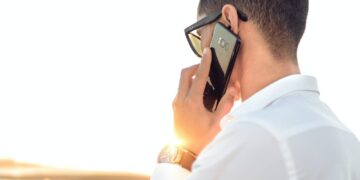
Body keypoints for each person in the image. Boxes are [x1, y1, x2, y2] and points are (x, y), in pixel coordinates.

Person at [152, 0, 360, 179]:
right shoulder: (347, 139)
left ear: (229, 22)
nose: (201, 54)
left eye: (201, 36)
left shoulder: (253, 137)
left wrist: (184, 152)